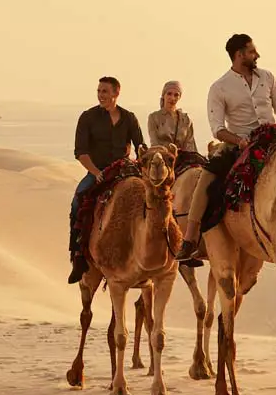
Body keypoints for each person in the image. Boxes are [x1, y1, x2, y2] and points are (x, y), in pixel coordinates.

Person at [176, 33, 276, 261]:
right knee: (207, 178)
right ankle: (190, 239)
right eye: (251, 51)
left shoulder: (267, 77)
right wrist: (239, 140)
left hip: (273, 139)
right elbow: (217, 129)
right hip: (239, 144)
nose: (256, 55)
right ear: (239, 55)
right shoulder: (219, 88)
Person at [67, 76, 145, 284]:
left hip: (124, 171)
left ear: (116, 94)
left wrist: (141, 163)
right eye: (99, 91)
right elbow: (80, 151)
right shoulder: (88, 117)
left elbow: (140, 146)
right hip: (98, 172)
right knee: (77, 202)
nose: (101, 95)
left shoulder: (129, 118)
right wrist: (95, 172)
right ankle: (78, 258)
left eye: (105, 91)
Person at [146, 80, 198, 153]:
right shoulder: (154, 117)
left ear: (180, 97)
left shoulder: (186, 119)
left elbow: (190, 145)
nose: (172, 98)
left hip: (183, 159)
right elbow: (154, 143)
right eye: (169, 94)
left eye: (176, 95)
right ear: (163, 95)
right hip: (162, 158)